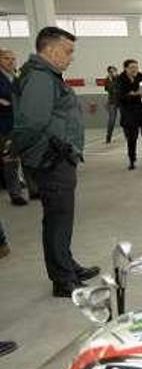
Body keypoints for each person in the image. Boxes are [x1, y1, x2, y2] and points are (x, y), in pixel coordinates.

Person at [12, 26, 100, 297]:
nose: (71, 57)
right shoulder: (40, 78)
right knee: (57, 220)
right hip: (52, 158)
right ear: (49, 50)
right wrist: (14, 148)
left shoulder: (48, 75)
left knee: (60, 219)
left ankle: (66, 265)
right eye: (68, 51)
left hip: (58, 155)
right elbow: (32, 122)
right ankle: (62, 279)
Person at [1, 48, 28, 205]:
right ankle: (15, 193)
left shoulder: (17, 76)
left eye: (13, 59)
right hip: (5, 125)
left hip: (21, 124)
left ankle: (33, 189)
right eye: (6, 58)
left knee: (26, 158)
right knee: (10, 160)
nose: (11, 61)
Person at [116, 59, 142, 170]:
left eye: (136, 67)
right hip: (129, 114)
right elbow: (120, 97)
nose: (135, 69)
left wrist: (139, 94)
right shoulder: (120, 80)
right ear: (126, 68)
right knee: (132, 139)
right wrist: (135, 94)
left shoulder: (141, 77)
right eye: (132, 67)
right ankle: (132, 161)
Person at [103, 65, 120, 144]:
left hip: (120, 101)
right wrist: (110, 80)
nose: (113, 73)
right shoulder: (107, 80)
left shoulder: (119, 78)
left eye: (114, 71)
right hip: (112, 102)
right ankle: (108, 137)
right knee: (112, 120)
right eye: (111, 71)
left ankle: (129, 135)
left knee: (126, 118)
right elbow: (108, 89)